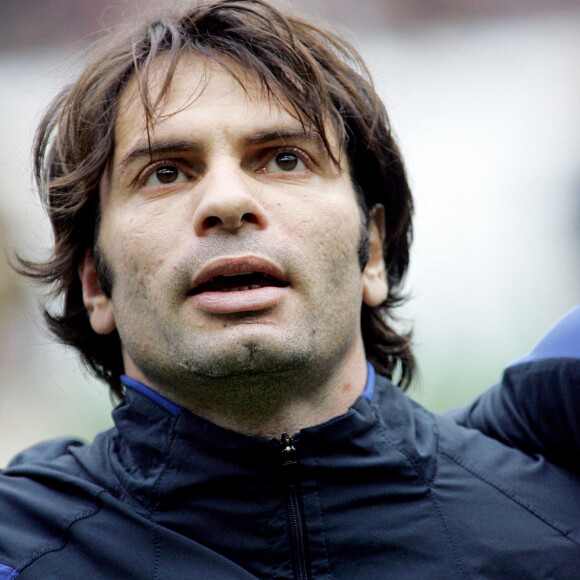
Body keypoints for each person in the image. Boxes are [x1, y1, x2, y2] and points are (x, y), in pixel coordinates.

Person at [1, 1, 578, 578]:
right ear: (95, 282)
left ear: (371, 252)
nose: (227, 201)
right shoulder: (21, 549)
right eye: (166, 172)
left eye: (283, 158)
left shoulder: (552, 516)